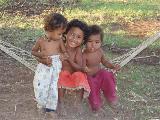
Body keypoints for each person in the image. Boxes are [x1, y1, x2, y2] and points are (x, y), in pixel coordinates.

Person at [37, 19, 90, 116]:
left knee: (81, 75)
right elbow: (51, 59)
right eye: (72, 34)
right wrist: (58, 58)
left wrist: (69, 59)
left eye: (78, 37)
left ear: (83, 41)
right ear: (65, 34)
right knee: (61, 74)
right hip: (60, 76)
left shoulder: (78, 50)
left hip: (73, 76)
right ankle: (60, 103)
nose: (74, 39)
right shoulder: (59, 46)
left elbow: (79, 68)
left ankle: (78, 103)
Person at [32, 13, 67, 113]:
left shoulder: (59, 41)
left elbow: (65, 52)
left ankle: (51, 109)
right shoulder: (41, 41)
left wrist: (64, 56)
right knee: (40, 86)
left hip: (55, 68)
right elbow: (33, 52)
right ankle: (41, 104)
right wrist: (42, 59)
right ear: (49, 30)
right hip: (43, 67)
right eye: (59, 33)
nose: (61, 36)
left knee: (53, 88)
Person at [82, 25, 120, 113]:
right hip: (89, 77)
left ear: (101, 42)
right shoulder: (84, 54)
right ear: (84, 42)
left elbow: (105, 62)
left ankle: (111, 97)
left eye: (97, 42)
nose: (93, 45)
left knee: (106, 74)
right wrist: (85, 69)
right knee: (92, 89)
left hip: (99, 74)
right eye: (90, 41)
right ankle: (96, 104)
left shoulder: (100, 51)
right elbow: (82, 67)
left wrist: (113, 66)